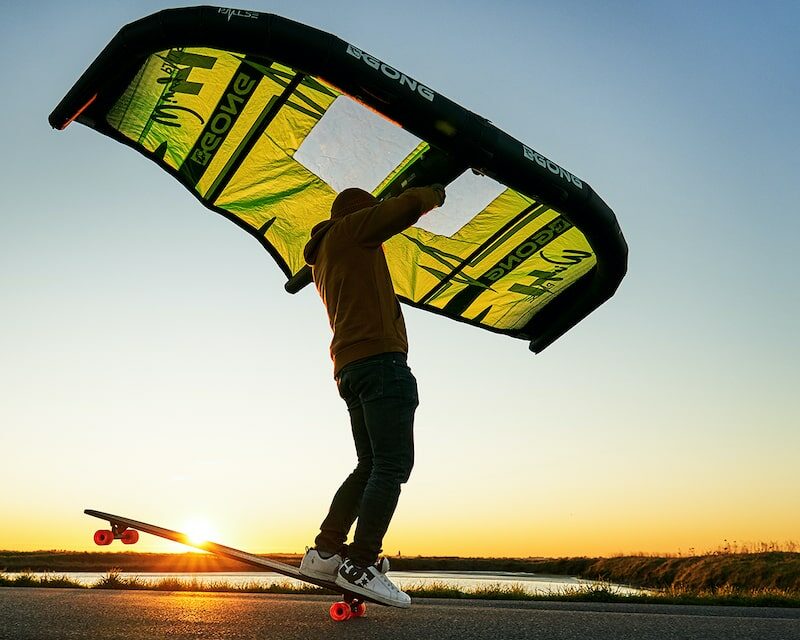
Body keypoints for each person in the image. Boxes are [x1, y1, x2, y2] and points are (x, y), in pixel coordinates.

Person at [299, 184, 446, 607]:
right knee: (393, 464)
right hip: (381, 364)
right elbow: (400, 210)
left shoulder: (324, 257)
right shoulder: (350, 231)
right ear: (360, 215)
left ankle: (326, 554)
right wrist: (431, 194)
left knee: (369, 464)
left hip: (350, 368)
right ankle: (360, 563)